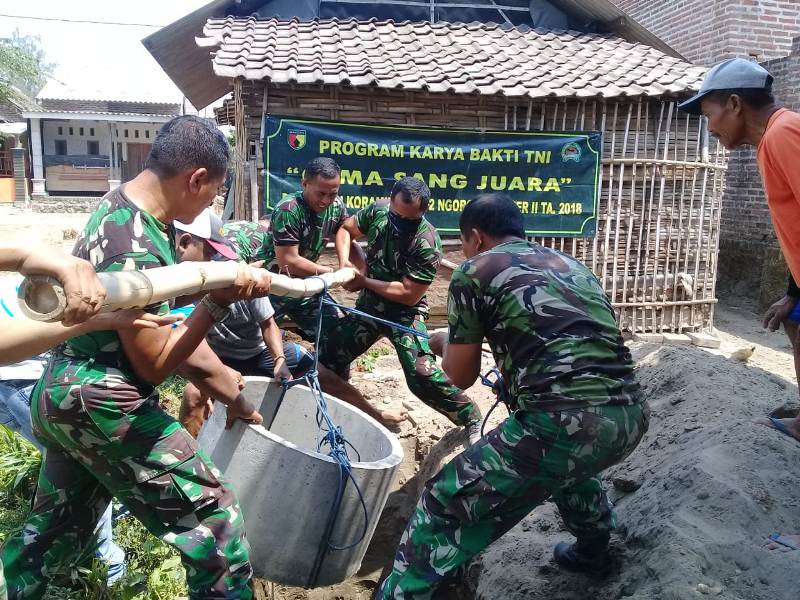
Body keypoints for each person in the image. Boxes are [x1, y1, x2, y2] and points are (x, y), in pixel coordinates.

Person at [0, 115, 271, 600]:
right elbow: (154, 364)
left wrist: (226, 388)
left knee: (53, 536)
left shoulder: (122, 209)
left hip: (65, 393)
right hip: (103, 400)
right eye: (216, 190)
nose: (213, 202)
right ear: (196, 179)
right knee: (215, 518)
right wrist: (216, 303)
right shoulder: (137, 246)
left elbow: (167, 336)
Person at [378, 194, 649, 598]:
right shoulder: (573, 266)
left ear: (476, 237)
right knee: (566, 468)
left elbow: (459, 375)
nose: (465, 251)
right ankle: (594, 552)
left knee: (442, 501)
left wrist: (443, 343)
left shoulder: (474, 271)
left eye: (465, 244)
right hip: (630, 415)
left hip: (562, 423)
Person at [0, 246, 180, 600]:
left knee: (76, 481)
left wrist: (29, 259)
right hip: (20, 380)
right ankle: (109, 566)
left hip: (38, 369)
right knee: (86, 471)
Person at [679, 57, 800, 552]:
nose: (709, 128)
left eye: (709, 115)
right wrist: (794, 292)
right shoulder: (774, 138)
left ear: (734, 104)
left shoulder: (783, 133)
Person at [175, 209, 407, 431]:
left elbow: (269, 324)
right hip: (217, 356)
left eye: (218, 254)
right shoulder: (181, 289)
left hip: (256, 351)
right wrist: (222, 369)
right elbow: (187, 347)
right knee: (194, 394)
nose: (215, 260)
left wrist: (279, 359)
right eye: (210, 253)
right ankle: (189, 460)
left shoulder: (242, 276)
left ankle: (375, 415)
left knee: (323, 375)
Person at [321, 177, 482, 443]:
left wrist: (364, 281)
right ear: (391, 201)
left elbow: (409, 295)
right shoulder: (378, 211)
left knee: (421, 374)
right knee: (326, 356)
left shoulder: (427, 242)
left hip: (405, 315)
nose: (400, 223)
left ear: (422, 213)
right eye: (396, 215)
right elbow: (345, 231)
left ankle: (471, 417)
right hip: (370, 307)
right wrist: (346, 266)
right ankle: (337, 410)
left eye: (408, 220)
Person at [222, 157, 364, 341]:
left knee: (338, 335)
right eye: (320, 193)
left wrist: (355, 266)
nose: (326, 200)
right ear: (304, 184)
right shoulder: (289, 210)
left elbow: (345, 234)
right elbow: (288, 261)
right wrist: (331, 273)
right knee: (249, 342)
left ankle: (327, 369)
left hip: (305, 286)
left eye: (332, 194)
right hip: (271, 286)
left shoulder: (336, 207)